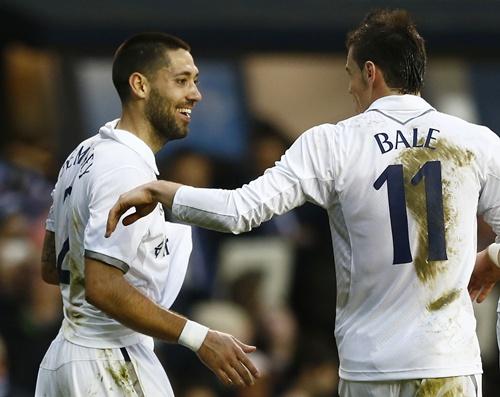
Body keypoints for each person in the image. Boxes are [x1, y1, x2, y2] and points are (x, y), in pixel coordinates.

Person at [107, 10, 500, 397]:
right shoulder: (475, 142)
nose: (349, 89)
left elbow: (241, 210)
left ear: (369, 72)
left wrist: (164, 192)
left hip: (372, 368)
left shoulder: (333, 144)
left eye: (348, 74)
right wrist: (493, 258)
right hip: (448, 365)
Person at [35, 32, 259, 397]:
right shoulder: (123, 168)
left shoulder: (83, 153)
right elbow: (102, 286)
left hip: (65, 357)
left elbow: (50, 265)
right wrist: (200, 337)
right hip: (107, 361)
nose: (195, 94)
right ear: (139, 85)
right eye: (181, 81)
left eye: (196, 82)